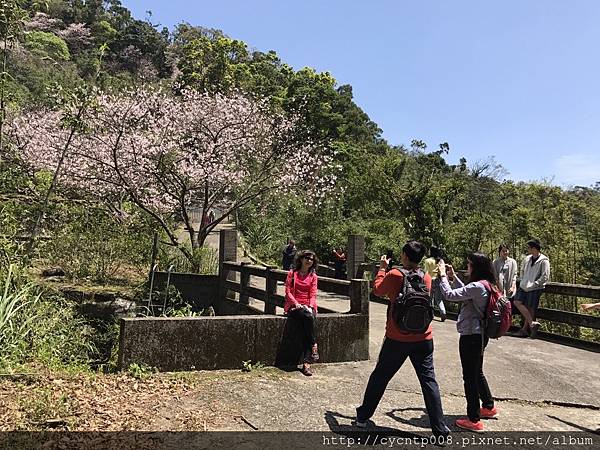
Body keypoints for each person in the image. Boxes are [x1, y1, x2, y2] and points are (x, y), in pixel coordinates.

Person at [355, 240, 450, 439]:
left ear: (405, 256)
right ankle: (440, 431)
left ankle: (363, 417)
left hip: (397, 338)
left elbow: (378, 290)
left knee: (380, 377)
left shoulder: (395, 274)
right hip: (424, 338)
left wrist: (382, 269)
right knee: (429, 382)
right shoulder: (426, 277)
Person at [438, 253, 498, 433]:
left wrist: (442, 275)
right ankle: (488, 406)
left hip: (471, 335)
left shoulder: (478, 286)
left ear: (476, 267)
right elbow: (466, 292)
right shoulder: (487, 285)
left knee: (469, 377)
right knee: (477, 371)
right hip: (480, 334)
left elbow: (450, 295)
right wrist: (453, 277)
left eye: (470, 265)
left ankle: (474, 419)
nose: (468, 268)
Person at [284, 250, 319, 376]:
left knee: (307, 321)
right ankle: (313, 344)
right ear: (301, 259)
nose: (309, 260)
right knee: (307, 319)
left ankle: (306, 364)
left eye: (311, 259)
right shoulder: (292, 274)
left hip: (308, 308)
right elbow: (288, 292)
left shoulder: (313, 276)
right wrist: (296, 304)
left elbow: (313, 293)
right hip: (294, 307)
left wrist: (309, 305)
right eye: (307, 258)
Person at [512, 239, 550, 338]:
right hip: (524, 285)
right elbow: (523, 270)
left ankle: (526, 330)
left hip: (535, 288)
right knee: (517, 302)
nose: (528, 249)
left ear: (534, 248)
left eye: (529, 247)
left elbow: (545, 276)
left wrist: (535, 284)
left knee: (530, 308)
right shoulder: (528, 259)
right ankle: (532, 323)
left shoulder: (544, 261)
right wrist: (523, 280)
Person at [423, 246, 447, 321]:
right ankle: (443, 312)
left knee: (430, 298)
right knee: (439, 298)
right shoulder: (440, 260)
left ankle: (431, 313)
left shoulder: (428, 260)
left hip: (430, 279)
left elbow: (426, 272)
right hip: (438, 280)